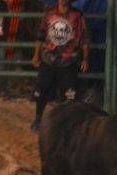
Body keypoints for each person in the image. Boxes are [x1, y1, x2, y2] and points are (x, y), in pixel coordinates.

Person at [30, 0, 90, 132]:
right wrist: (36, 55)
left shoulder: (77, 15)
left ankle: (66, 122)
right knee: (42, 90)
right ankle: (38, 118)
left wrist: (85, 59)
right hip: (49, 58)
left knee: (69, 94)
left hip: (68, 60)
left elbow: (85, 38)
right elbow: (41, 34)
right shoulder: (49, 13)